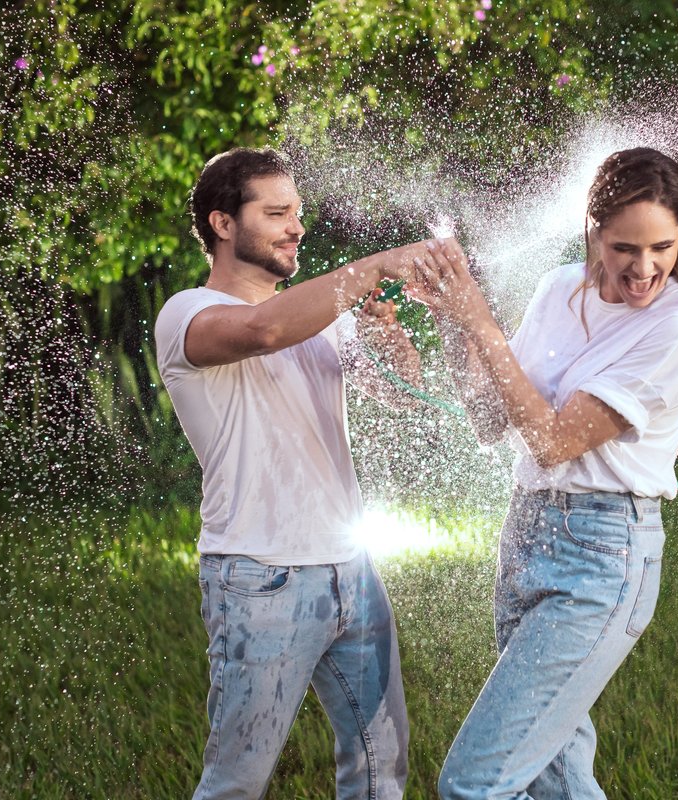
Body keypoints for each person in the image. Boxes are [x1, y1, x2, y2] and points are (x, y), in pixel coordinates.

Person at [413, 147, 678, 799]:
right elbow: (489, 417)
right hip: (527, 533)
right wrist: (450, 317)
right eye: (624, 248)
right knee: (555, 776)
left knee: (473, 784)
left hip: (600, 556)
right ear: (594, 231)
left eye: (662, 248)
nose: (644, 268)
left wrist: (479, 318)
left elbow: (553, 442)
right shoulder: (560, 290)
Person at [154, 146, 456, 800]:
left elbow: (402, 392)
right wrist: (371, 268)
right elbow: (262, 331)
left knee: (380, 768)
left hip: (353, 572)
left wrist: (384, 328)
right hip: (260, 577)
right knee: (237, 782)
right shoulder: (186, 314)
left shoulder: (320, 319)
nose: (296, 227)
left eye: (297, 212)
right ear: (223, 223)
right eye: (276, 213)